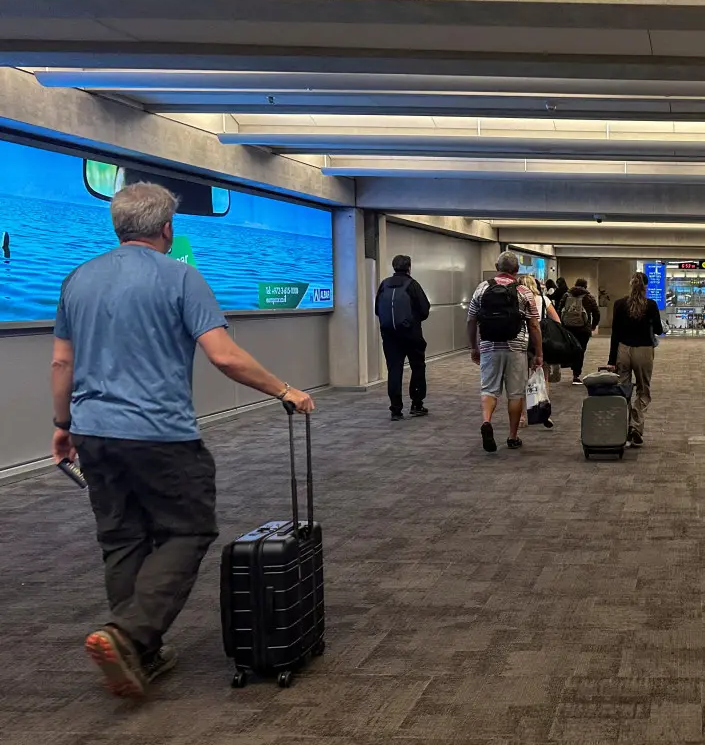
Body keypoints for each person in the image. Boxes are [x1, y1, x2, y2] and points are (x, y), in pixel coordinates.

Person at [50, 183, 314, 699]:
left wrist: (63, 425)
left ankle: (140, 656)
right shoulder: (181, 276)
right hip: (159, 435)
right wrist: (285, 389)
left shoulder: (76, 280)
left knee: (122, 538)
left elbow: (62, 362)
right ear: (167, 227)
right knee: (188, 530)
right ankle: (127, 634)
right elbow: (224, 356)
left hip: (93, 433)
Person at [467, 251, 543, 452]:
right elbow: (534, 325)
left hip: (489, 345)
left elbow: (471, 320)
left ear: (496, 266)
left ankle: (486, 421)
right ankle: (512, 436)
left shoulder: (482, 289)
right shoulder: (523, 291)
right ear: (516, 270)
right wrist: (539, 353)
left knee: (489, 389)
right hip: (516, 347)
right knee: (515, 393)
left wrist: (474, 347)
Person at [602, 272, 664, 448]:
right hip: (644, 350)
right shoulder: (651, 305)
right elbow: (659, 330)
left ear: (631, 285)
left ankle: (623, 427)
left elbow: (615, 333)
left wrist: (611, 359)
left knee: (623, 389)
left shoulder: (620, 304)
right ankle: (635, 426)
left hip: (623, 350)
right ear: (646, 286)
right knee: (643, 390)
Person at [374, 254, 431, 421]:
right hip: (411, 334)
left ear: (393, 267)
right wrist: (411, 321)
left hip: (390, 335)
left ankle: (396, 409)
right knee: (417, 367)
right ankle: (417, 404)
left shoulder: (384, 284)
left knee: (394, 370)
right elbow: (424, 310)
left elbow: (377, 310)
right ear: (409, 267)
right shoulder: (412, 285)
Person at [520, 274, 558, 429]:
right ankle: (543, 412)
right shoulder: (544, 300)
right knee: (543, 377)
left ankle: (522, 416)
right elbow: (557, 320)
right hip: (540, 342)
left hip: (522, 341)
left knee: (522, 380)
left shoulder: (518, 299)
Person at [560, 277, 600, 384]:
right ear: (585, 286)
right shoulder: (589, 297)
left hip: (568, 328)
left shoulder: (566, 295)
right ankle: (576, 374)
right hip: (583, 329)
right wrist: (593, 325)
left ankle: (570, 363)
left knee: (571, 348)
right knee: (581, 350)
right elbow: (596, 313)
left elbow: (559, 309)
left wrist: (561, 323)